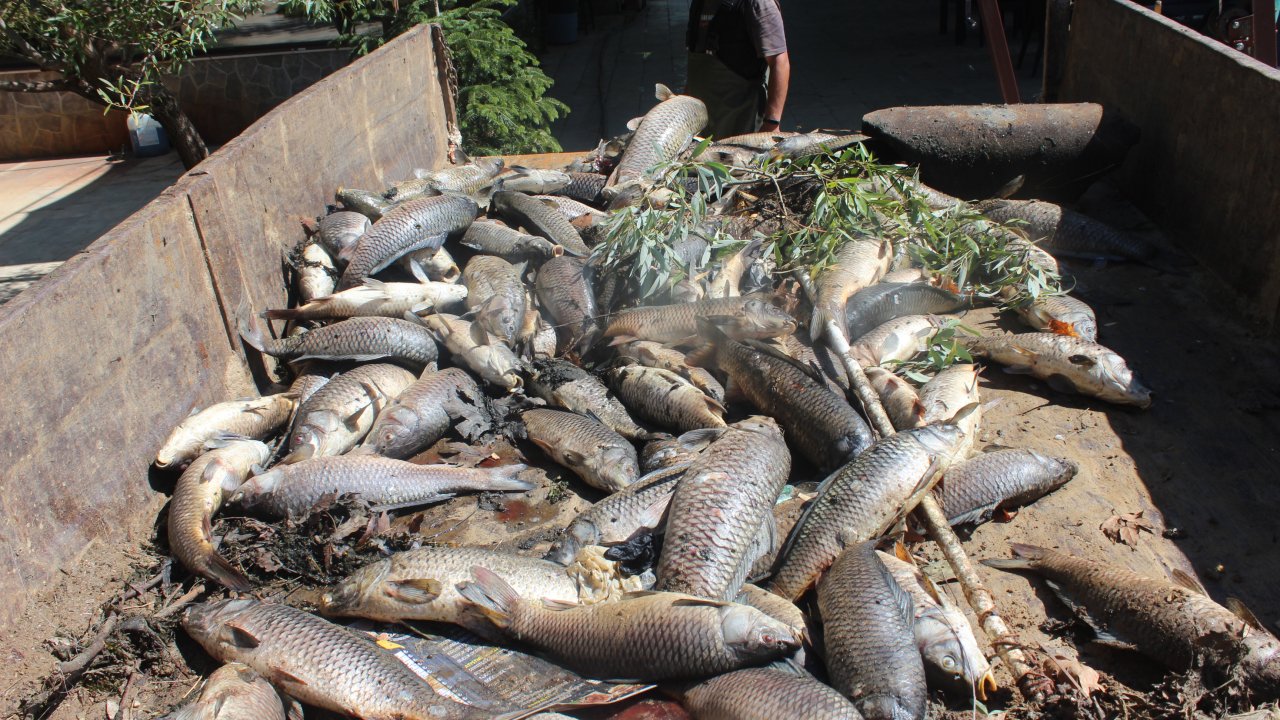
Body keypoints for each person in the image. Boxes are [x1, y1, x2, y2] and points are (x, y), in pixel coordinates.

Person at [685, 0, 791, 139]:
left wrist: (771, 124)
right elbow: (699, 61)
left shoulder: (757, 3)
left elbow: (780, 61)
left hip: (741, 120)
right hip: (701, 122)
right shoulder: (700, 3)